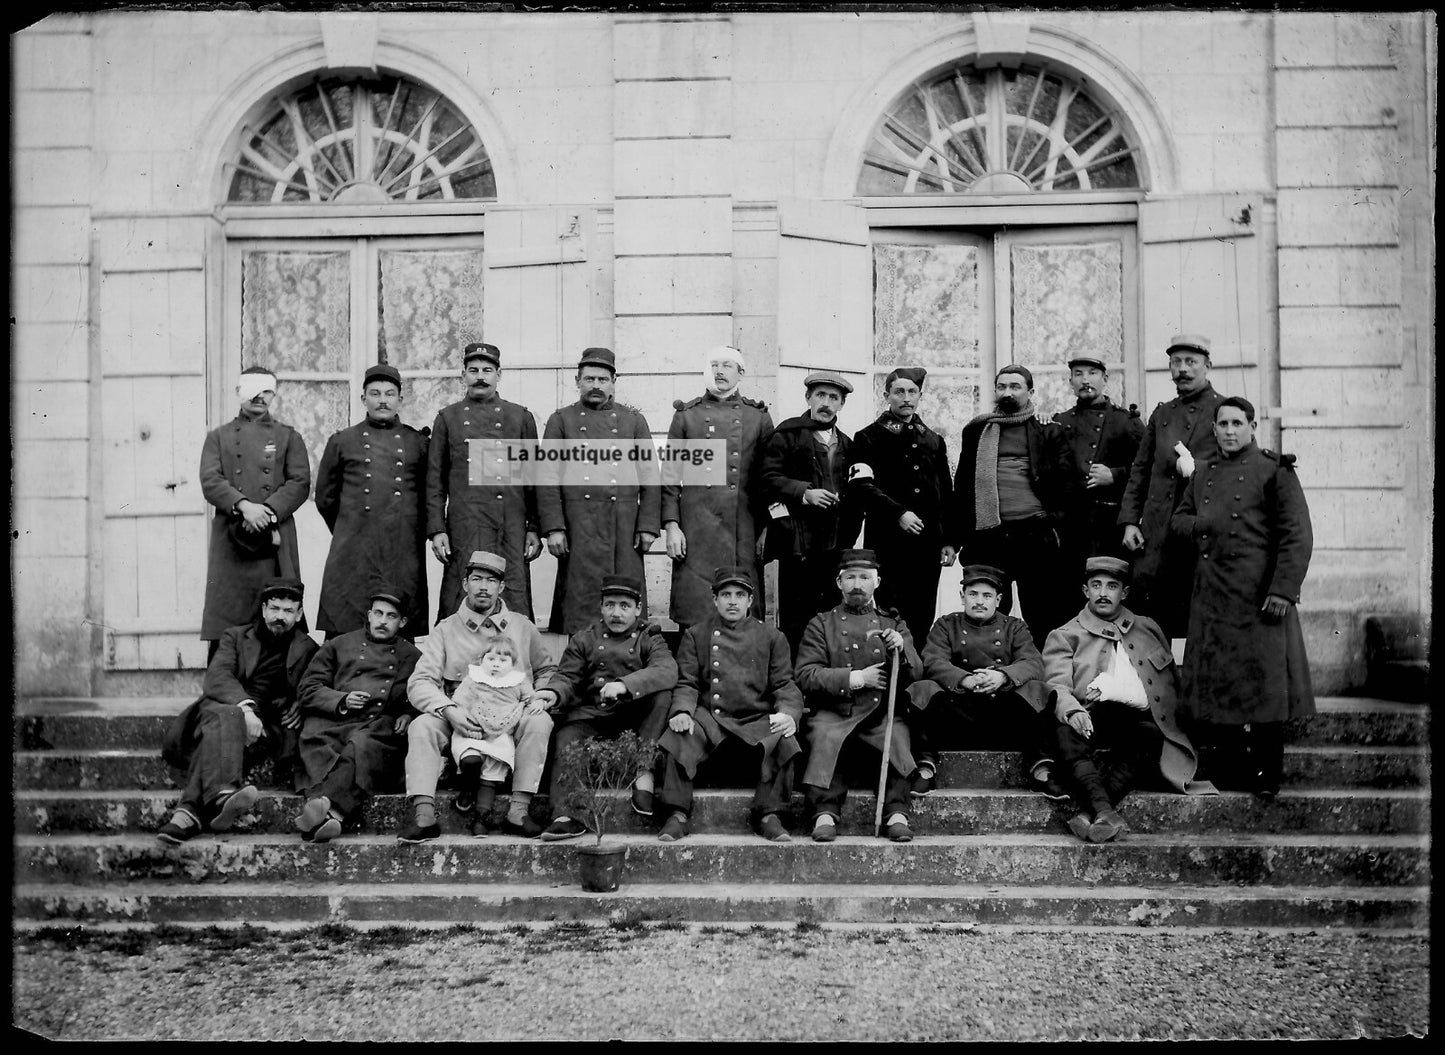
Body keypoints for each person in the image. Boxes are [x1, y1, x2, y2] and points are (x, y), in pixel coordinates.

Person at [1170, 396, 1315, 799]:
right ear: (1213, 429)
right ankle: (1232, 772)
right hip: (1213, 597)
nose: (1230, 431)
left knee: (1265, 686)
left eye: (1237, 423)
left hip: (1261, 597)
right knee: (1221, 686)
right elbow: (1179, 520)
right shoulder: (1203, 474)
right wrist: (1203, 523)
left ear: (1252, 426)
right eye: (1223, 424)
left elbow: (1297, 536)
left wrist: (1284, 590)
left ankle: (1268, 775)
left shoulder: (1274, 470)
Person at [1042, 556, 1214, 844]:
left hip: (1134, 723)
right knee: (1063, 731)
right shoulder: (1065, 635)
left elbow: (1169, 683)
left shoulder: (1148, 628)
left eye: (1112, 586)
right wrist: (1073, 712)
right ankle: (1104, 811)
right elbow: (1056, 687)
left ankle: (1093, 812)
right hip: (1088, 721)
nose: (1103, 593)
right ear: (1085, 591)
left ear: (1125, 593)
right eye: (1095, 585)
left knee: (1148, 734)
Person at [399, 550, 558, 843]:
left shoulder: (522, 627)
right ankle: (423, 816)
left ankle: (518, 812)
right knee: (422, 726)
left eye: (491, 580)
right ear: (464, 584)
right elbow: (421, 681)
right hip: (461, 715)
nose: (483, 586)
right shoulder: (446, 629)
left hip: (511, 716)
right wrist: (448, 710)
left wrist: (540, 696)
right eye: (476, 579)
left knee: (540, 722)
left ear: (502, 587)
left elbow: (548, 669)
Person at [159, 578, 319, 844]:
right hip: (221, 709)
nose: (280, 616)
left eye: (288, 611)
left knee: (217, 738)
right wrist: (245, 709)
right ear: (264, 608)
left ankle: (187, 814)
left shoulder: (308, 648)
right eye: (275, 608)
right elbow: (218, 677)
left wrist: (301, 704)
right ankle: (220, 795)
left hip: (264, 730)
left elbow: (315, 684)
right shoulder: (235, 637)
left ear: (299, 614)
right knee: (228, 716)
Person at [655, 566, 802, 843]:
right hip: (712, 718)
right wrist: (683, 711)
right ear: (715, 600)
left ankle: (769, 815)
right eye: (725, 594)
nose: (732, 601)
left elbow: (784, 684)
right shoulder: (696, 635)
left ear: (750, 600)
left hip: (756, 718)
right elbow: (687, 682)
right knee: (678, 734)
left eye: (739, 595)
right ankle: (677, 814)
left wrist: (788, 713)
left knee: (785, 738)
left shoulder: (772, 636)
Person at [532, 574, 678, 841]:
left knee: (662, 695)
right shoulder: (584, 639)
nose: (617, 613)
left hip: (636, 720)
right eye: (610, 605)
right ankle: (567, 816)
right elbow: (567, 677)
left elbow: (666, 670)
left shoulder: (649, 637)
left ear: (637, 608)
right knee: (566, 736)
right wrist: (552, 692)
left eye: (624, 606)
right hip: (593, 716)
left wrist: (623, 685)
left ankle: (642, 771)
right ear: (601, 607)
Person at [793, 549, 922, 843]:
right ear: (839, 583)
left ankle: (897, 814)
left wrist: (900, 651)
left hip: (879, 713)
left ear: (877, 581)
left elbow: (916, 673)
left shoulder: (893, 624)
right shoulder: (821, 624)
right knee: (824, 737)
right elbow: (805, 674)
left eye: (864, 577)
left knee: (898, 736)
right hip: (835, 712)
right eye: (850, 577)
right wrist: (857, 679)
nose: (857, 584)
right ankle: (824, 814)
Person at [952, 365, 1083, 649]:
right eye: (1002, 387)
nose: (1007, 392)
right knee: (990, 615)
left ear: (1030, 392)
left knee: (1044, 613)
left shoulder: (1047, 430)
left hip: (1035, 535)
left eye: (1015, 386)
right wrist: (955, 539)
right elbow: (962, 486)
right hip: (990, 537)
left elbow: (1068, 484)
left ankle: (1044, 681)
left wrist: (1053, 524)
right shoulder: (977, 430)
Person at [910, 565, 1062, 800]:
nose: (979, 601)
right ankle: (926, 768)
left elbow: (1033, 662)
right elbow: (932, 660)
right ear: (962, 596)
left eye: (987, 595)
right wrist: (965, 679)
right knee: (923, 688)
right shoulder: (946, 625)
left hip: (1003, 715)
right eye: (973, 594)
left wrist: (1002, 676)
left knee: (1037, 689)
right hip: (958, 713)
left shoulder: (1014, 627)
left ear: (998, 599)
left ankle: (1041, 771)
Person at [537, 347, 661, 635]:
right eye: (589, 379)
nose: (596, 385)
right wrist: (554, 527)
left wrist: (648, 526)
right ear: (577, 380)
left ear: (613, 382)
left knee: (625, 602)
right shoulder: (561, 420)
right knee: (581, 604)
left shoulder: (633, 421)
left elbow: (651, 477)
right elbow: (546, 477)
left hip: (624, 528)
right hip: (579, 527)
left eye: (603, 380)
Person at [292, 585, 422, 843]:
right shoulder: (339, 645)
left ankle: (323, 807)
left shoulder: (413, 656)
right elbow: (308, 688)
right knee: (329, 747)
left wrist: (408, 714)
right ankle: (332, 814)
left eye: (391, 616)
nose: (383, 621)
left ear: (403, 622)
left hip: (377, 728)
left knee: (362, 745)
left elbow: (422, 692)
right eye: (378, 613)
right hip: (332, 723)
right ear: (369, 614)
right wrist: (341, 699)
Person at [199, 365, 311, 657]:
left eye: (267, 392)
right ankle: (221, 689)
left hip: (274, 536)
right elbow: (211, 480)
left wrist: (267, 511)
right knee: (229, 616)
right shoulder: (218, 437)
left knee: (276, 610)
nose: (260, 398)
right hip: (232, 539)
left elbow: (300, 483)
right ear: (239, 393)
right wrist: (244, 506)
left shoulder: (289, 436)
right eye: (253, 391)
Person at [425, 342, 542, 624]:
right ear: (463, 375)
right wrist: (437, 529)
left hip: (509, 527)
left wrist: (534, 528)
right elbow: (435, 480)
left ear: (498, 374)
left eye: (487, 370)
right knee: (461, 594)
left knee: (511, 596)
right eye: (473, 370)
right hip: (465, 525)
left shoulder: (519, 417)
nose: (481, 376)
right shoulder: (448, 418)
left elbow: (534, 478)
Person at [1118, 334, 1225, 637]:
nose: (1183, 369)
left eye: (1191, 362)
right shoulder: (1162, 413)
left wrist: (1197, 470)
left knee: (1194, 621)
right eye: (1176, 362)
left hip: (1196, 534)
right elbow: (1140, 470)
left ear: (1208, 366)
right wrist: (1129, 522)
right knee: (1152, 623)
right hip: (1155, 535)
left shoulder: (1225, 412)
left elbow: (1239, 469)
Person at [314, 364, 430, 638]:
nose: (383, 400)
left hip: (402, 549)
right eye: (375, 393)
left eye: (390, 394)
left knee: (399, 621)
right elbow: (325, 498)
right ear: (363, 398)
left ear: (401, 399)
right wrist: (350, 527)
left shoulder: (418, 443)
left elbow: (430, 497)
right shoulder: (343, 441)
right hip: (354, 548)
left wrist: (411, 531)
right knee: (346, 625)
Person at [661, 345, 774, 627]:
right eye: (714, 365)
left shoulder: (757, 417)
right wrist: (672, 526)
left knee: (742, 612)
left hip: (743, 528)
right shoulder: (687, 416)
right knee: (696, 611)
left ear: (741, 373)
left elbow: (772, 479)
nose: (719, 371)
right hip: (697, 528)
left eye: (727, 366)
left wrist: (768, 529)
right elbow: (670, 477)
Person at [846, 366, 957, 647]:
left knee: (922, 613)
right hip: (888, 541)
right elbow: (862, 485)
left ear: (920, 395)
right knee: (889, 613)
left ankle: (914, 679)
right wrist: (899, 513)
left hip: (926, 544)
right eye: (899, 392)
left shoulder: (933, 440)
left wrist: (949, 541)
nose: (906, 398)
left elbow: (945, 494)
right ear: (887, 396)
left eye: (912, 392)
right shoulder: (868, 437)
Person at [760, 370, 865, 652]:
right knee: (796, 619)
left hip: (834, 545)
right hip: (797, 543)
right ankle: (796, 685)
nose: (826, 403)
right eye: (820, 395)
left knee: (830, 617)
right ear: (808, 397)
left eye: (834, 397)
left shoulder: (847, 445)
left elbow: (857, 494)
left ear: (841, 404)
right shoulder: (787, 434)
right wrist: (805, 493)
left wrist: (848, 538)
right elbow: (767, 478)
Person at [1052, 355, 1144, 561]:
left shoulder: (1127, 422)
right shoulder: (1060, 422)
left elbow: (1146, 470)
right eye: (1078, 374)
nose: (1085, 380)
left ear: (1105, 379)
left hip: (1111, 526)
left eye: (1092, 373)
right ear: (1070, 382)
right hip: (1071, 528)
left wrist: (1114, 475)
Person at [448, 640, 533, 831]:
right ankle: (468, 790)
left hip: (500, 734)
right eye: (491, 658)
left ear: (512, 664)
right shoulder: (473, 679)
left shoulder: (518, 681)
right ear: (482, 660)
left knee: (490, 778)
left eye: (503, 660)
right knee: (470, 760)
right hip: (473, 730)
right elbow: (458, 702)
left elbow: (529, 698)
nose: (496, 663)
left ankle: (481, 818)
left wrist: (535, 703)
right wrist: (466, 722)